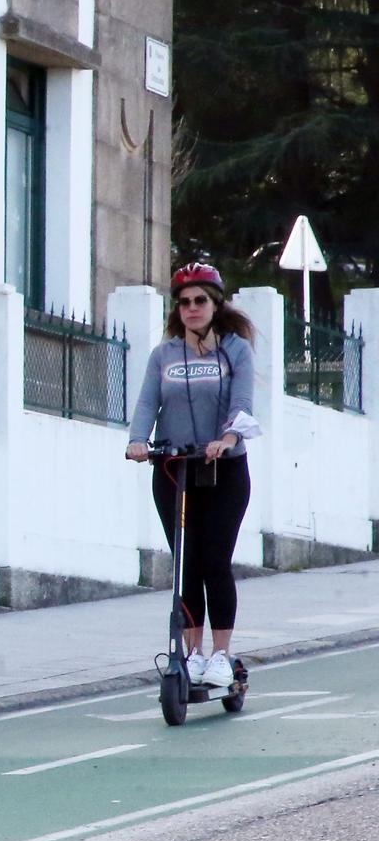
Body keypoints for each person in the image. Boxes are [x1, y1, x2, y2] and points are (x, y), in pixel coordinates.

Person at [125, 263, 258, 691]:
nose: (191, 308)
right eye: (183, 302)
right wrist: (138, 441)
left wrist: (228, 436)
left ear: (215, 304)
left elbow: (242, 401)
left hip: (223, 468)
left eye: (200, 300)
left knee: (214, 562)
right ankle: (193, 654)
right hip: (175, 468)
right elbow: (148, 403)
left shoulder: (234, 350)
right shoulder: (164, 355)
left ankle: (221, 654)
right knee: (185, 565)